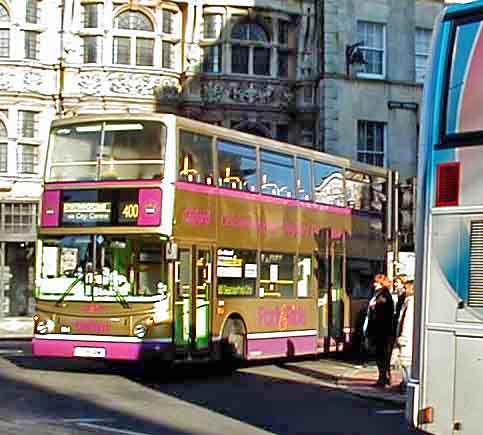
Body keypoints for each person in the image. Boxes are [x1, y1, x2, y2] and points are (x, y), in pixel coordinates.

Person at [366, 273, 395, 387]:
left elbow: (381, 314)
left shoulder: (384, 296)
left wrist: (374, 308)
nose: (374, 284)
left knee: (382, 355)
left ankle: (383, 379)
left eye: (376, 282)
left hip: (382, 331)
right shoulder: (378, 294)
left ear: (381, 283)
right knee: (380, 355)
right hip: (378, 329)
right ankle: (383, 378)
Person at [395, 280, 415, 392]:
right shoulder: (408, 301)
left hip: (406, 339)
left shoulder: (411, 302)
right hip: (406, 338)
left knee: (406, 363)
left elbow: (407, 321)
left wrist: (403, 337)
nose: (404, 290)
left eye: (406, 288)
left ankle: (407, 387)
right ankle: (405, 384)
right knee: (405, 363)